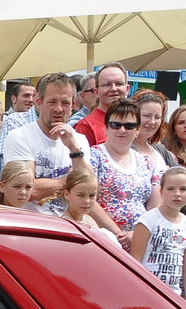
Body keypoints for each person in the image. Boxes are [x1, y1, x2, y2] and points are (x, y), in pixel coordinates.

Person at [2, 73, 87, 212]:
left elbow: (90, 189)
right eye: (52, 102)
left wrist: (74, 150)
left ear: (73, 105)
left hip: (68, 222)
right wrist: (72, 181)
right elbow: (25, 192)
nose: (58, 109)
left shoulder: (78, 140)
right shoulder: (20, 137)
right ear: (39, 102)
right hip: (31, 221)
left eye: (65, 103)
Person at [87, 99, 156, 235]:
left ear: (138, 130)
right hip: (103, 236)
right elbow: (87, 200)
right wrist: (118, 234)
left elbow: (154, 205)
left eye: (129, 126)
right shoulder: (92, 157)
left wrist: (139, 234)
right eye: (115, 125)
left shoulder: (145, 162)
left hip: (139, 237)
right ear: (106, 128)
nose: (122, 130)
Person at [132, 167, 186, 303]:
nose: (177, 194)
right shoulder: (148, 220)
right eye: (170, 189)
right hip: (146, 292)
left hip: (173, 296)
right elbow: (135, 260)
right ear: (161, 191)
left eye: (183, 189)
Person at [74, 64, 131, 148]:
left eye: (118, 84)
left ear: (127, 89)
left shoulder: (134, 122)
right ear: (96, 91)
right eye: (107, 85)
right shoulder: (85, 126)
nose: (113, 89)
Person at [60, 165, 112, 239]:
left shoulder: (89, 220)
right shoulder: (66, 225)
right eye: (80, 195)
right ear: (67, 194)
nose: (87, 201)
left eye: (92, 195)